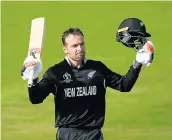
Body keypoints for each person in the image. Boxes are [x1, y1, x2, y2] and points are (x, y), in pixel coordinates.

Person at [21, 18, 154, 140]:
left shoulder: (97, 69)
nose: (80, 49)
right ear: (65, 49)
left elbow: (124, 85)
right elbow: (36, 98)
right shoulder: (55, 73)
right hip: (67, 135)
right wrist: (32, 78)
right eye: (74, 46)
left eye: (82, 44)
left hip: (93, 134)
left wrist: (137, 64)